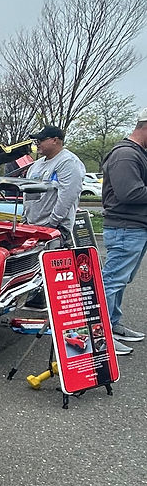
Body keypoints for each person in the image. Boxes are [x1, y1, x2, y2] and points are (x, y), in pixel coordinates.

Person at [99, 108, 147, 354]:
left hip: (133, 227)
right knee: (112, 280)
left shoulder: (136, 153)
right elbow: (130, 193)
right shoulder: (126, 155)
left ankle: (113, 324)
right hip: (126, 228)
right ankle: (101, 336)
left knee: (120, 280)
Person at [21, 125, 85, 234]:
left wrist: (53, 223)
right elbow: (28, 195)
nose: (37, 144)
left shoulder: (68, 162)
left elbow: (67, 196)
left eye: (41, 140)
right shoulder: (36, 165)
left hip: (54, 229)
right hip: (31, 227)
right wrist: (25, 220)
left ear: (55, 140)